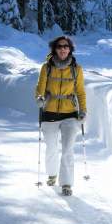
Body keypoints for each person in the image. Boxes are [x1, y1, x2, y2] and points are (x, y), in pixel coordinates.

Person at [35, 35, 87, 196]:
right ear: (54, 49)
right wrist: (39, 98)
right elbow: (40, 87)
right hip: (49, 112)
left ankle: (66, 183)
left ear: (70, 49)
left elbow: (80, 91)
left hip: (70, 114)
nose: (63, 49)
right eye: (59, 46)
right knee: (51, 147)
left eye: (66, 46)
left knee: (67, 150)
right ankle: (51, 174)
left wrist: (83, 110)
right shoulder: (47, 67)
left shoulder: (76, 69)